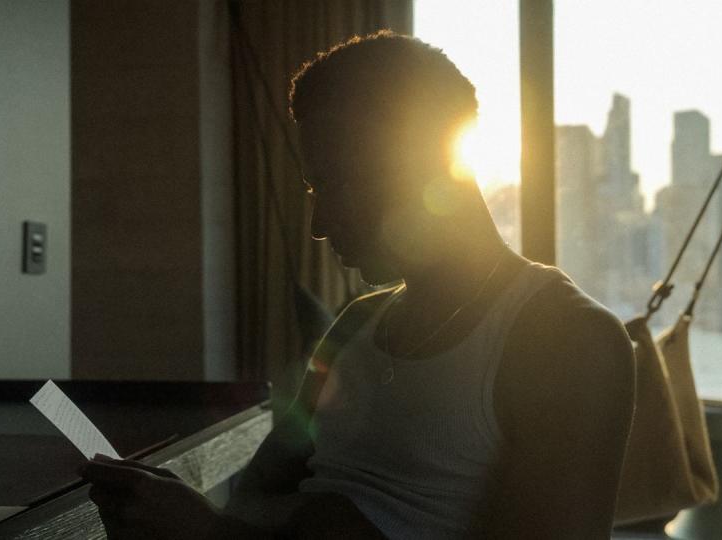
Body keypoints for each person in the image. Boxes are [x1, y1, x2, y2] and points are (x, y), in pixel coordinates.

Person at [81, 31, 635, 539]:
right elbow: (252, 502)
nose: (319, 225)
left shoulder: (570, 340)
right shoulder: (356, 324)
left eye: (335, 184)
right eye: (311, 190)